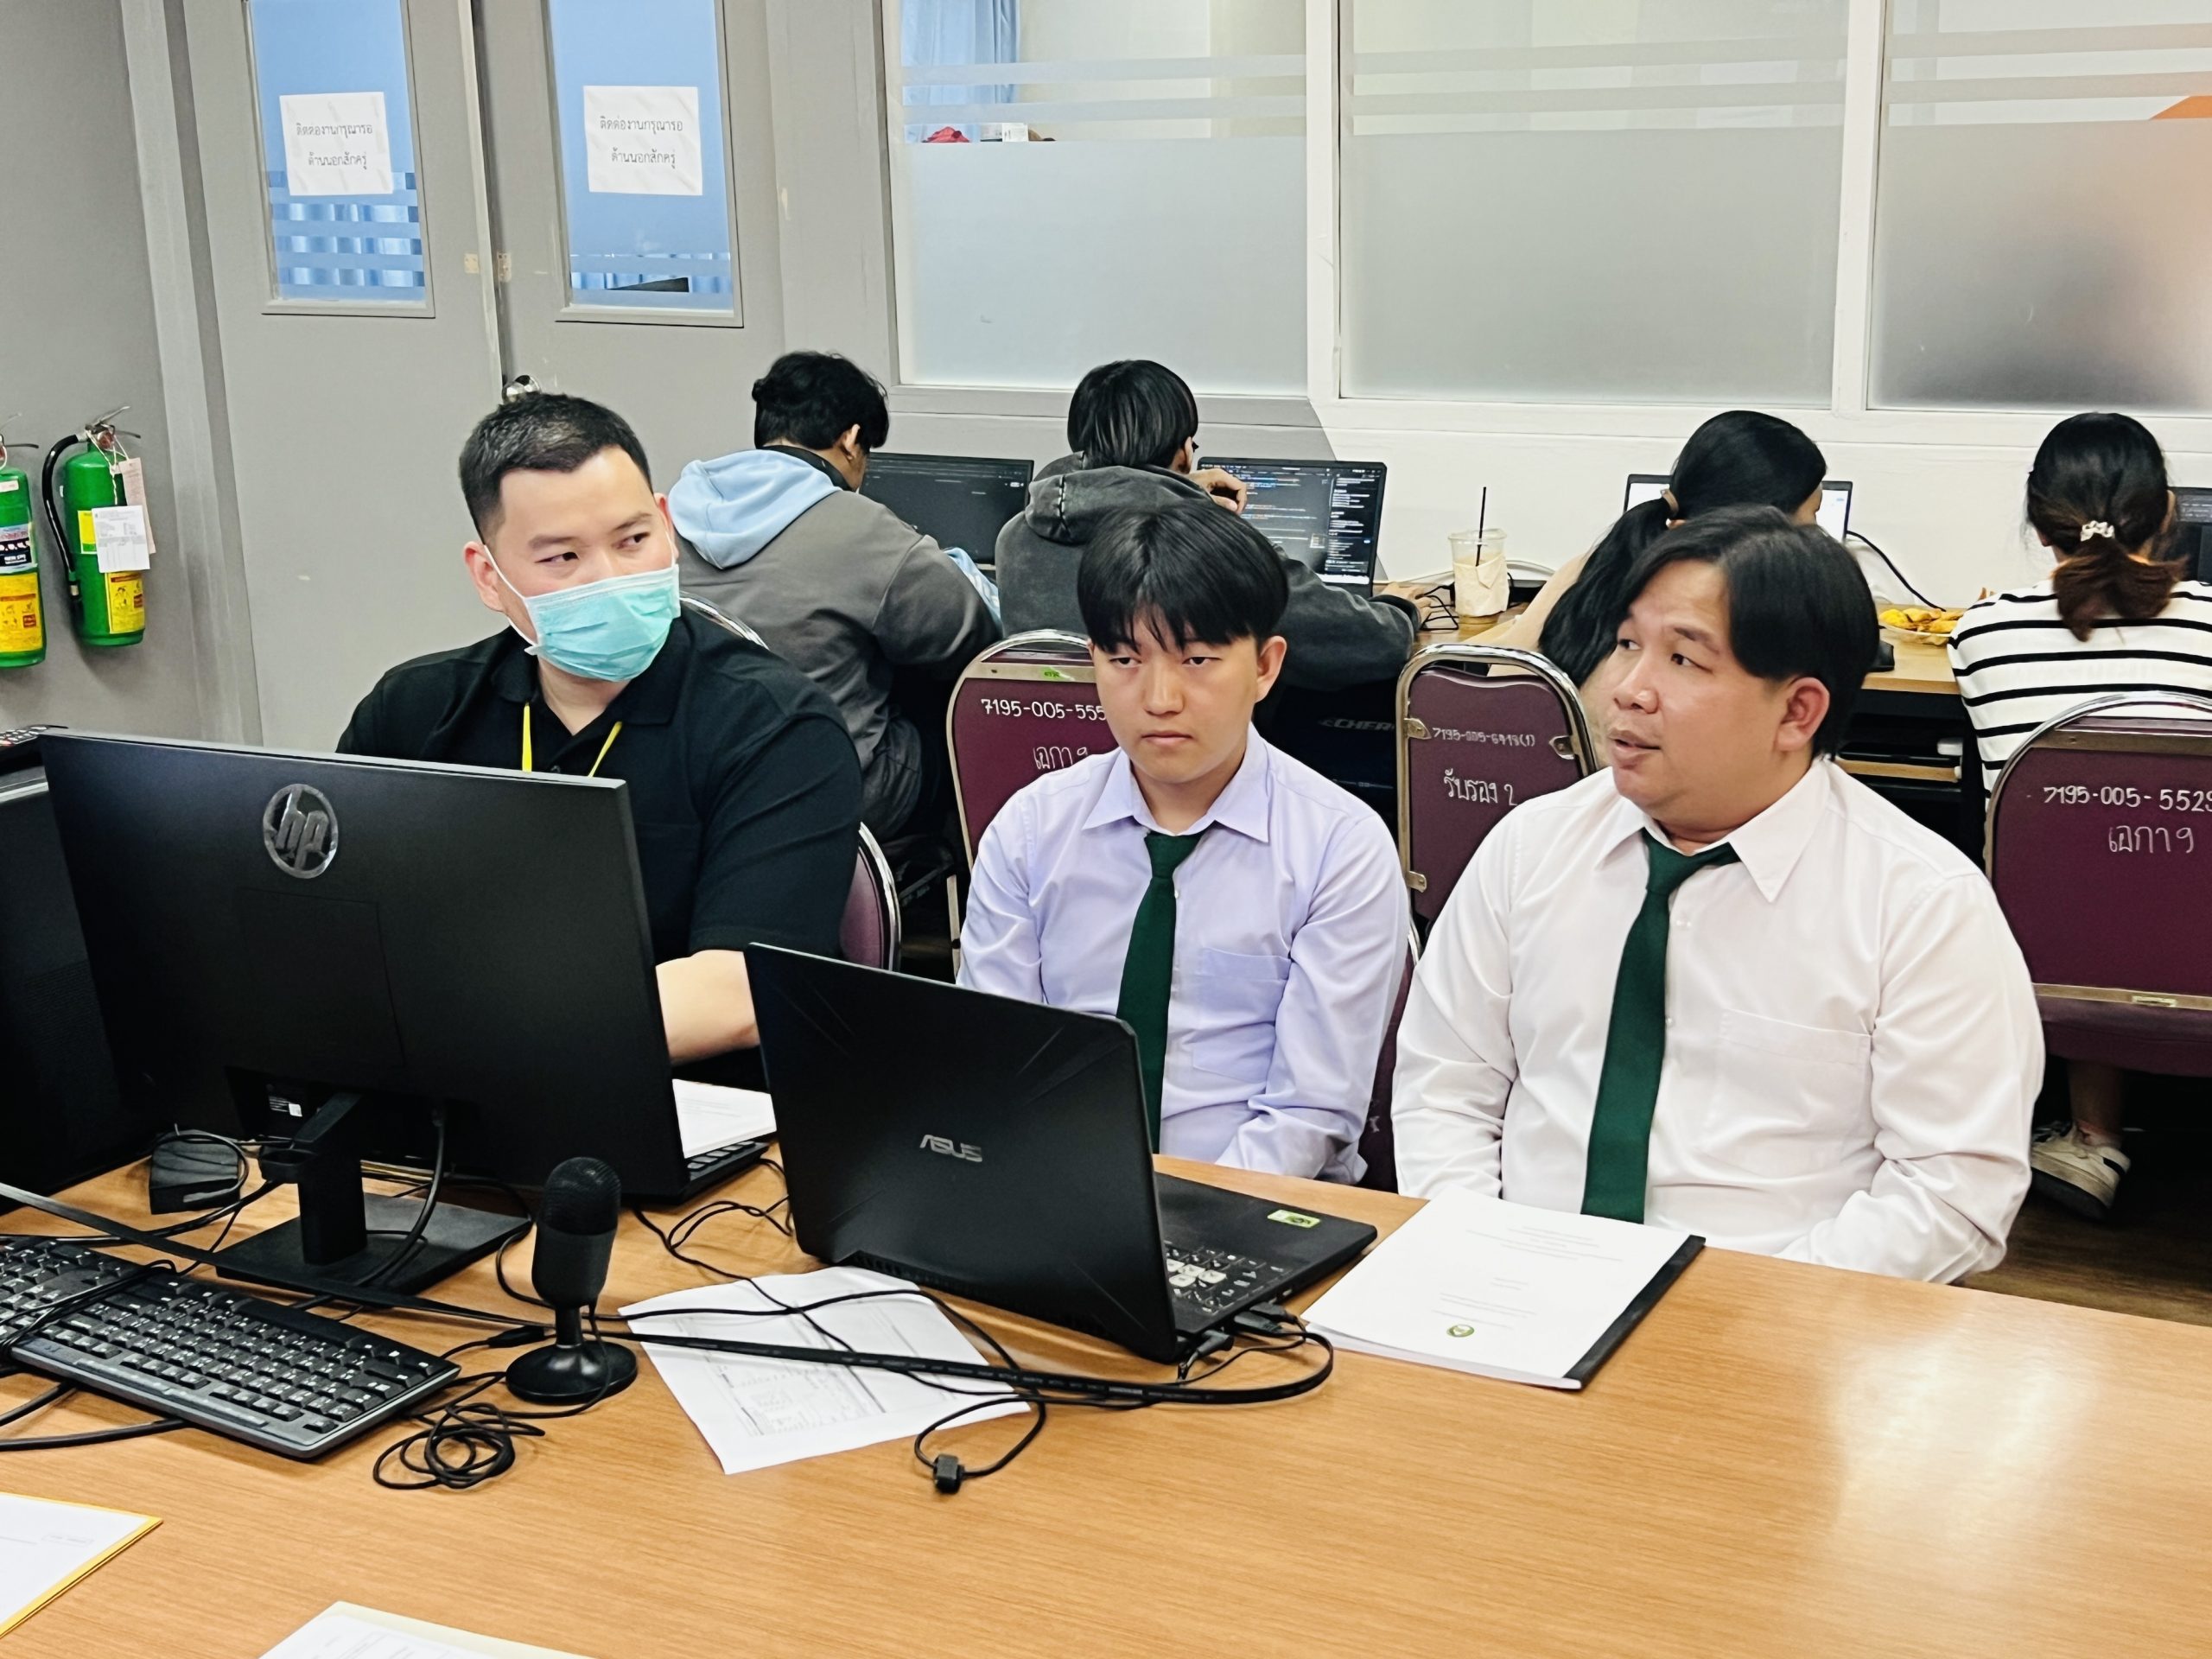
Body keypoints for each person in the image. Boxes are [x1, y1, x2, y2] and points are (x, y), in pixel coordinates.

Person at [1394, 505, 2040, 1281]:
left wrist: (1740, 1319)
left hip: (1779, 1312)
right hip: (1508, 1280)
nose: (1628, 690)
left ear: (1797, 712)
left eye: (1683, 660)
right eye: (1628, 644)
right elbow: (1444, 1088)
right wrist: (1479, 1258)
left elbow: (1952, 1193)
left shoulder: (1920, 904)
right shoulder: (1531, 846)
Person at [338, 391, 862, 1084]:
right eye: (562, 557)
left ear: (667, 525)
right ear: (489, 577)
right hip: (450, 1094)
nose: (610, 578)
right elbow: (339, 931)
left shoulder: (775, 725)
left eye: (633, 540)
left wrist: (465, 1036)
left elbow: (736, 991)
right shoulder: (413, 711)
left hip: (696, 1102)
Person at [960, 498, 1409, 1181]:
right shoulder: (1030, 831)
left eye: (1197, 659)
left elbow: (1308, 1116)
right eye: (1124, 659)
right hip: (1059, 1190)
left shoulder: (1338, 848)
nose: (1160, 698)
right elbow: (996, 1062)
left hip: (1262, 1202)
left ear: (1265, 667)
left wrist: (1190, 1221)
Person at [1949, 411, 2212, 1218]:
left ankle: (2093, 1138)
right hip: (2197, 939)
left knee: (2095, 864)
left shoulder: (1981, 636)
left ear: (2038, 521)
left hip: (2047, 956)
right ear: (2167, 512)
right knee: (2154, 865)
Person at [666, 352, 1000, 840]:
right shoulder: (862, 528)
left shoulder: (671, 514)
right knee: (950, 712)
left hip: (701, 784)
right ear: (850, 439)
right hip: (832, 791)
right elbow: (972, 640)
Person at [995, 359, 1416, 689]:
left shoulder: (1015, 537)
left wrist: (1178, 489)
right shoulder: (1205, 542)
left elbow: (1116, 494)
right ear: (1183, 451)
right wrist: (1400, 610)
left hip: (1051, 754)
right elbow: (1363, 641)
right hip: (1177, 755)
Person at [1496, 410, 1828, 692]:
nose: (1818, 533)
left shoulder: (1587, 567)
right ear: (1767, 520)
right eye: (1812, 515)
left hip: (1526, 747)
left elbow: (1500, 674)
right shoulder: (1726, 597)